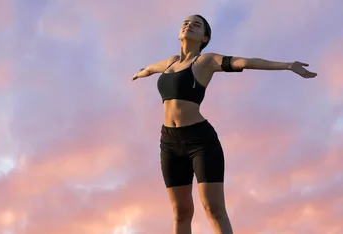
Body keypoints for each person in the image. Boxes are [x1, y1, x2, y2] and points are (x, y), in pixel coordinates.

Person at [130, 14, 317, 234]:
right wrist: (143, 72)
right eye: (185, 23)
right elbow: (152, 68)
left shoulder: (205, 61)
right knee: (181, 212)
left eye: (196, 25)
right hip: (169, 142)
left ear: (204, 37)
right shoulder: (170, 62)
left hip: (200, 141)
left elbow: (245, 62)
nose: (188, 25)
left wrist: (286, 65)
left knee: (213, 209)